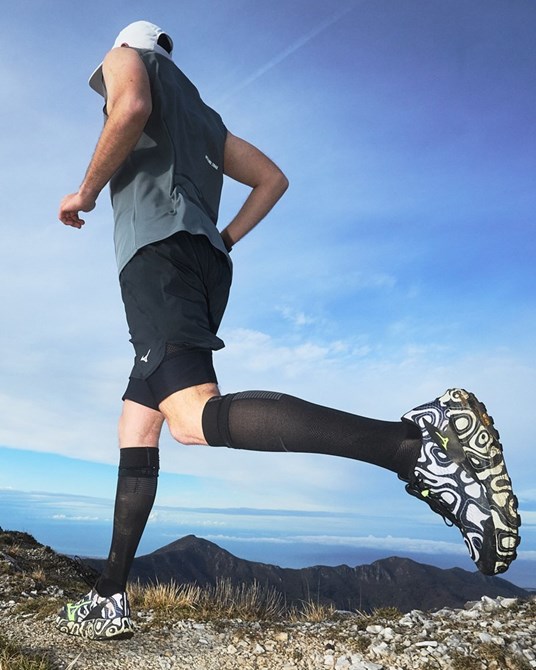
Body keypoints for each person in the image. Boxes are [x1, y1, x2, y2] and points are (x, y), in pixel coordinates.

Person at [56, 21, 520, 641]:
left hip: (156, 257)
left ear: (131, 47)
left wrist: (85, 193)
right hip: (201, 264)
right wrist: (222, 238)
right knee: (138, 422)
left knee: (191, 418)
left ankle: (413, 446)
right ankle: (110, 594)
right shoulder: (204, 118)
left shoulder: (125, 57)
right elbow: (272, 178)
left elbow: (132, 106)